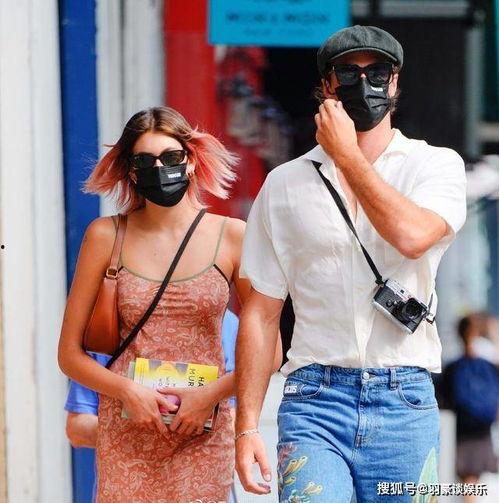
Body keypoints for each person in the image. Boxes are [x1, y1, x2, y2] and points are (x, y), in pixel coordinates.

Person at [235, 25, 467, 502]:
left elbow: (412, 237)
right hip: (314, 400)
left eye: (377, 72)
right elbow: (260, 313)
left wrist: (347, 157)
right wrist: (246, 427)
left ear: (395, 81)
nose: (364, 84)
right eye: (348, 72)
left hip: (404, 401)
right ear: (327, 86)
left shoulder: (435, 165)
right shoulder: (285, 184)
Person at [58, 106, 282, 503]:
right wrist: (129, 392)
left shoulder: (232, 236)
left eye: (171, 156)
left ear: (191, 160)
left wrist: (209, 396)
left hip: (202, 433)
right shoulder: (105, 236)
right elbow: (69, 355)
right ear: (130, 172)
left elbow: (271, 350)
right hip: (127, 436)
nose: (159, 168)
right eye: (144, 161)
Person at [65, 310, 242, 502]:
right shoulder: (109, 320)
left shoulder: (224, 322)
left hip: (200, 484)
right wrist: (131, 428)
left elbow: (233, 421)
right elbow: (76, 428)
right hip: (127, 486)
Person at [437, 315, 499, 503]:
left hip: (462, 432)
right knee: (473, 482)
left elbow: (443, 398)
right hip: (484, 430)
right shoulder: (489, 366)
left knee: (469, 482)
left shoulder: (453, 368)